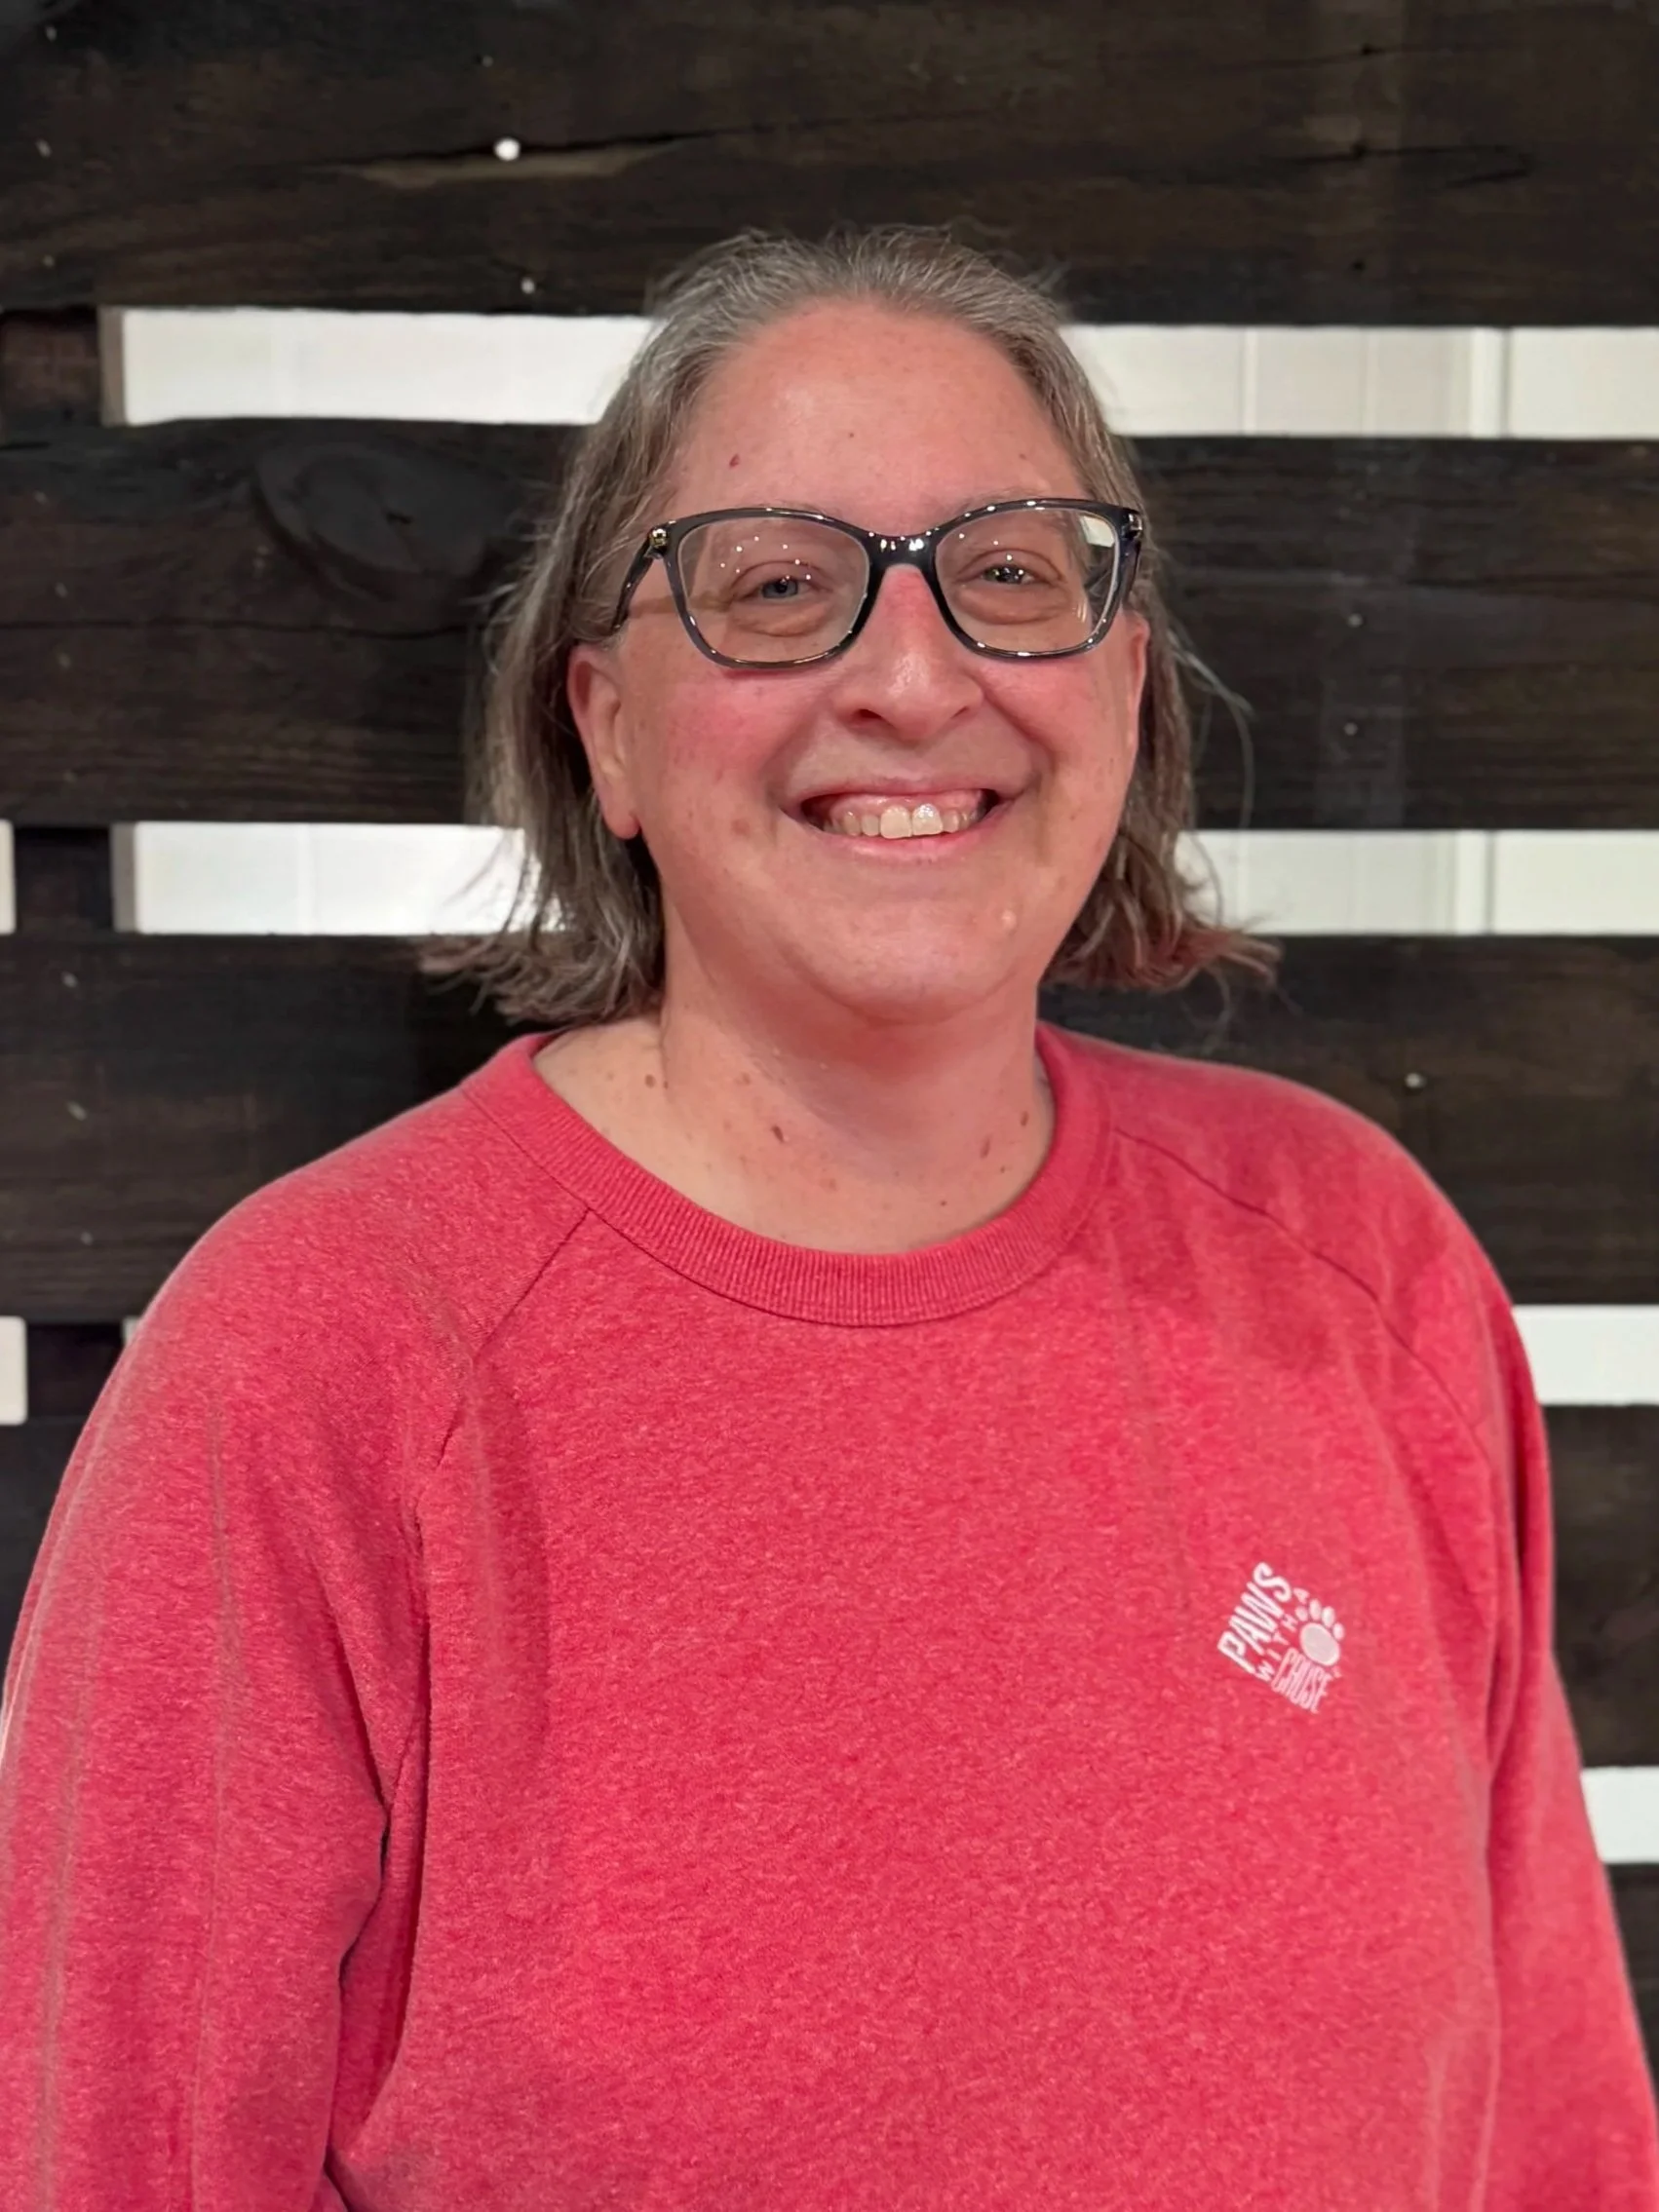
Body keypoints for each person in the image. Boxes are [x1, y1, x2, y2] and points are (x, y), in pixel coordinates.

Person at [1, 225, 1655, 2210]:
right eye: (776, 587)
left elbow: (1555, 2142)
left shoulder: (1357, 1271)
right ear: (603, 725)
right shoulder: (316, 1363)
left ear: (1116, 690)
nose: (906, 675)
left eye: (1012, 578)